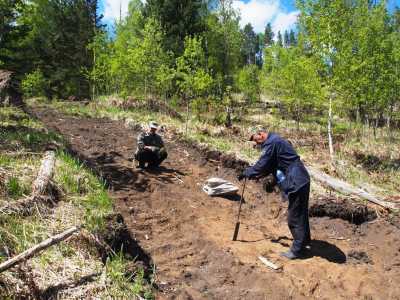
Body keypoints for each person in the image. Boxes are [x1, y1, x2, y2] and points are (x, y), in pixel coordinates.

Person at [237, 129, 311, 259]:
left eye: (255, 139)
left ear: (261, 134)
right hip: (300, 177)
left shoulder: (271, 142)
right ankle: (304, 242)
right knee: (300, 213)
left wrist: (248, 172)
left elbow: (262, 163)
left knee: (294, 217)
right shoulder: (275, 142)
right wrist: (256, 175)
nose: (256, 142)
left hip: (296, 179)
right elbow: (269, 166)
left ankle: (297, 250)